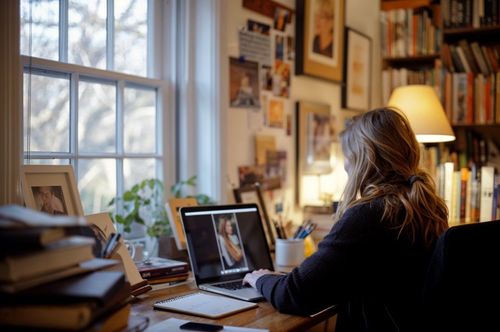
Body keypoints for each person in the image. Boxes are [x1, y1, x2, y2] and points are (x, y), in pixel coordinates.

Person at [243, 107, 449, 332]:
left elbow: (294, 295)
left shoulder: (369, 215)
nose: (345, 165)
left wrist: (260, 279)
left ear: (364, 158)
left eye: (347, 155)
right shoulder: (428, 208)